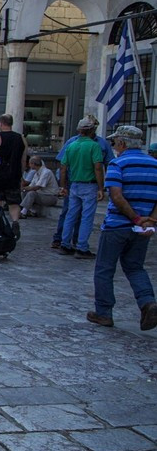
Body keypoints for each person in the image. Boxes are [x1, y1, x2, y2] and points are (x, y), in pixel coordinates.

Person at [86, 125, 157, 330]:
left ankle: (104, 312)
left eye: (115, 142)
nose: (114, 146)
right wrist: (149, 221)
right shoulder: (154, 165)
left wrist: (135, 219)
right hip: (142, 228)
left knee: (104, 269)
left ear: (122, 143)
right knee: (135, 267)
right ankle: (147, 302)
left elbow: (116, 196)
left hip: (118, 225)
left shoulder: (118, 164)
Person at [51, 119, 113, 249]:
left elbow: (63, 168)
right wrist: (101, 188)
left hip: (74, 184)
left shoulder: (71, 145)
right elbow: (98, 167)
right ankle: (82, 246)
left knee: (70, 215)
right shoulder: (94, 146)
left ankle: (65, 243)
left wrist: (63, 186)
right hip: (89, 185)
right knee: (87, 217)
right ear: (92, 130)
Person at [0, 114, 28, 238]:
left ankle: (0, 224)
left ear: (1, 123)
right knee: (14, 203)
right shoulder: (20, 138)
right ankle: (15, 222)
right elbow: (23, 159)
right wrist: (21, 174)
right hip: (14, 174)